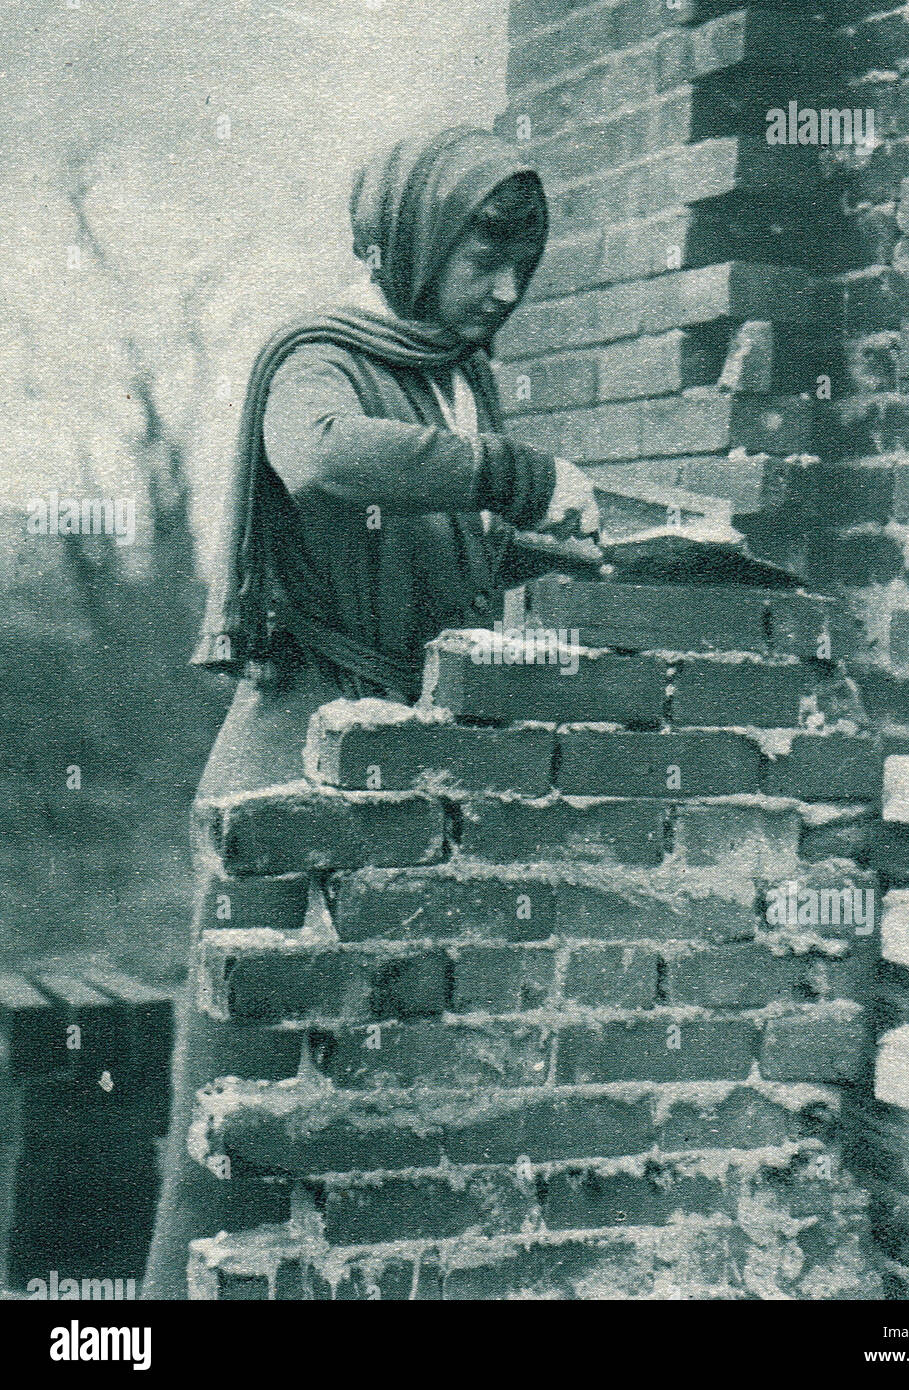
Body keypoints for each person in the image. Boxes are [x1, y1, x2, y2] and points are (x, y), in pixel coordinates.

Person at [142, 125, 598, 1298]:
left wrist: (518, 551)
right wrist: (515, 472)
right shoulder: (324, 358)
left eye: (522, 267)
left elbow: (412, 569)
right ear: (413, 240)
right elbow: (327, 461)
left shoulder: (455, 378)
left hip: (392, 770)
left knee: (361, 1125)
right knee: (237, 1123)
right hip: (290, 770)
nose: (504, 291)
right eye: (481, 259)